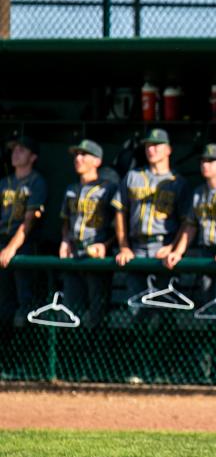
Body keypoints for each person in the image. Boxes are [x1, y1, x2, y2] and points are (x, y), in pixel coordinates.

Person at [162, 144, 216, 313]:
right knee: (207, 308)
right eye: (203, 160)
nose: (205, 164)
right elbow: (191, 225)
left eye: (211, 161)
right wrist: (178, 251)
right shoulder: (198, 192)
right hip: (205, 254)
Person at [112, 128, 192, 313]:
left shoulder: (177, 181)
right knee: (137, 310)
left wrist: (173, 246)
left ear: (168, 150)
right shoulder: (133, 176)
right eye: (148, 145)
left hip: (163, 248)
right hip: (136, 248)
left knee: (166, 310)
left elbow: (187, 221)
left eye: (157, 145)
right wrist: (124, 246)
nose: (151, 149)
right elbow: (119, 212)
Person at [59, 140, 118, 328]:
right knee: (71, 311)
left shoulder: (108, 188)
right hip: (75, 252)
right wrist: (65, 240)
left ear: (97, 161)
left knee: (97, 312)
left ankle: (96, 352)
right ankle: (73, 353)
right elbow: (65, 220)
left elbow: (118, 225)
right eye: (76, 154)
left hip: (97, 253)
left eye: (84, 154)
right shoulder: (71, 188)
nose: (78, 158)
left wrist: (105, 245)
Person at [0, 135, 47, 326]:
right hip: (2, 242)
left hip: (24, 245)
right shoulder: (4, 183)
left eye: (21, 150)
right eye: (14, 149)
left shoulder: (37, 182)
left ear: (33, 157)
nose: (16, 153)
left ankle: (27, 347)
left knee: (25, 301)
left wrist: (11, 248)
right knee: (3, 301)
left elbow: (29, 222)